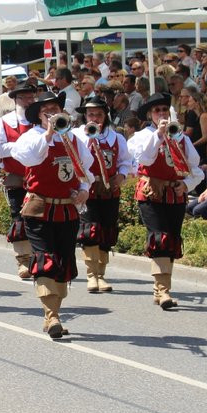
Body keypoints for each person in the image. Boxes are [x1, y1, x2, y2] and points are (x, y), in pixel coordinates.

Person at [10, 92, 93, 339]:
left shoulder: (74, 139)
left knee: (63, 260)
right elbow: (29, 157)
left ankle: (54, 310)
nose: (53, 114)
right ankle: (51, 315)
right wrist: (48, 133)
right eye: (47, 111)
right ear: (39, 116)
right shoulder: (31, 137)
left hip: (66, 208)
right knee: (45, 258)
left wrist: (85, 191)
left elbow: (86, 171)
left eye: (55, 109)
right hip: (39, 208)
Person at [128, 93, 203, 311]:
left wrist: (186, 185)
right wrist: (159, 135)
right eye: (157, 110)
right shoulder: (142, 136)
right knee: (159, 237)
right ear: (150, 115)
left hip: (174, 192)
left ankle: (162, 287)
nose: (161, 113)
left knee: (171, 239)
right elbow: (145, 158)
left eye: (164, 109)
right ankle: (163, 290)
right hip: (152, 191)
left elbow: (195, 167)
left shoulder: (181, 137)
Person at [73, 96, 132, 294]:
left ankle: (101, 274)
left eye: (98, 114)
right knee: (90, 231)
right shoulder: (76, 135)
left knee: (106, 231)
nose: (94, 118)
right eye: (91, 114)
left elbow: (125, 161)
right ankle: (91, 275)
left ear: (105, 116)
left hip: (109, 189)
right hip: (88, 188)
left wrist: (122, 175)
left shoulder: (116, 137)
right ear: (85, 116)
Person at [0, 84, 37, 279]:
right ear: (16, 100)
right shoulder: (2, 123)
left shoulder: (40, 120)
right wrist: (21, 146)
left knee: (38, 218)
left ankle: (37, 257)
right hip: (16, 177)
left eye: (31, 97)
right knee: (19, 217)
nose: (29, 101)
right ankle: (23, 259)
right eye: (24, 97)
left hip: (39, 178)